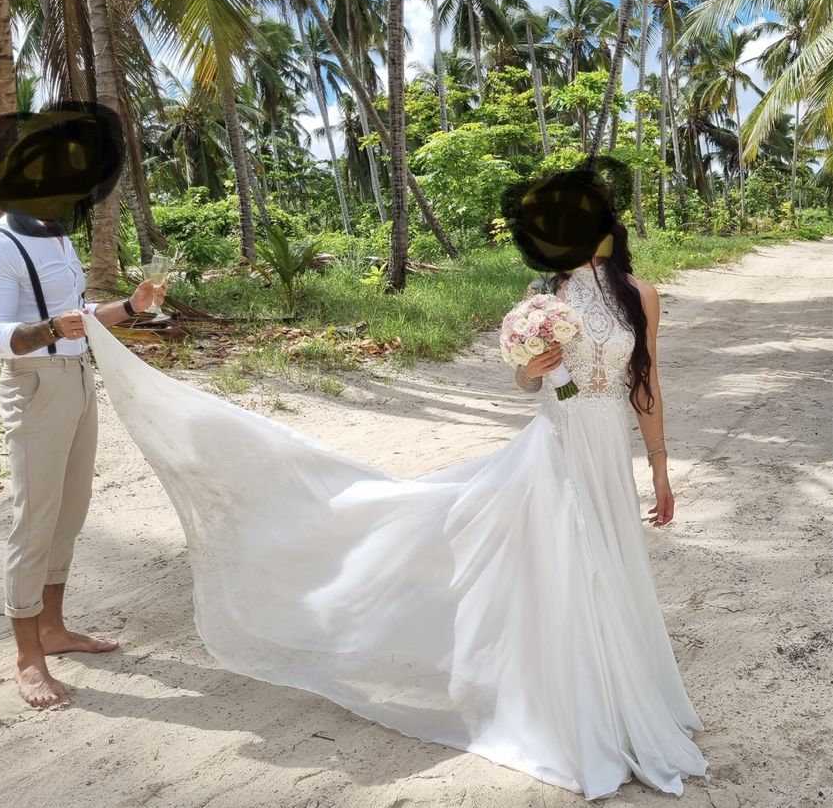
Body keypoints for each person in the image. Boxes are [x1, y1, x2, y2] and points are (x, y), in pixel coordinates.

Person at [81, 201, 707, 800]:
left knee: (610, 569)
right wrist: (534, 366)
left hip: (606, 451)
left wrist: (659, 469)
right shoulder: (546, 299)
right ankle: (581, 714)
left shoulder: (639, 295)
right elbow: (527, 382)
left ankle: (624, 703)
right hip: (558, 447)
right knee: (570, 571)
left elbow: (645, 384)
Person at [0, 211, 166, 708]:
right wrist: (50, 328)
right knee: (35, 521)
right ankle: (28, 658)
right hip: (34, 384)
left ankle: (53, 629)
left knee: (69, 514)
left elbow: (80, 314)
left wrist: (130, 306)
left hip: (77, 375)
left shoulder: (55, 235)